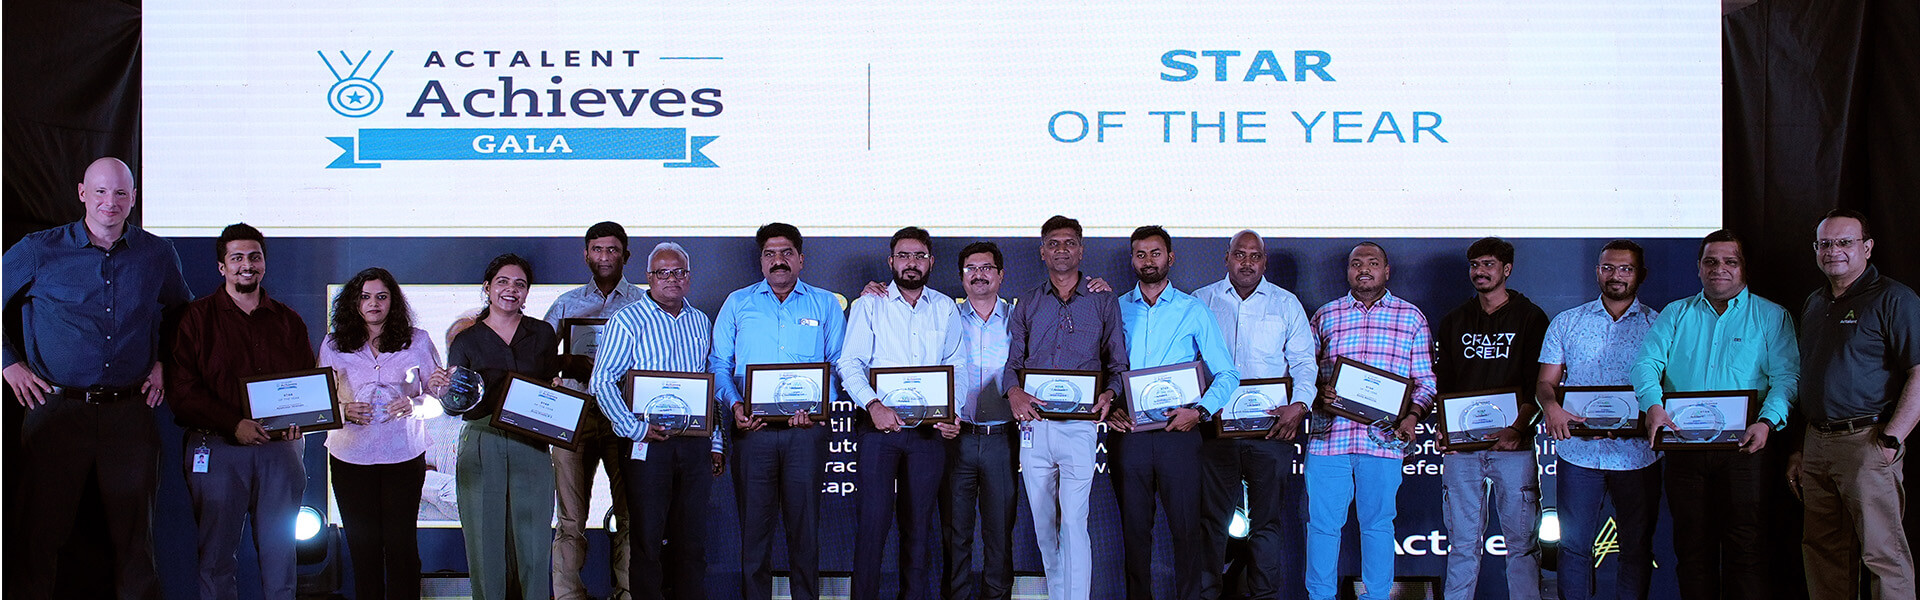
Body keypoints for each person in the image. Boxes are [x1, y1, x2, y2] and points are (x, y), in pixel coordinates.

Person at [4, 156, 191, 600]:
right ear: (83, 193)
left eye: (121, 193)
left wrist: (165, 361)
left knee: (136, 543)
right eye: (102, 191)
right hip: (55, 411)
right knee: (38, 537)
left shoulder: (156, 254)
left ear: (133, 199)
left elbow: (183, 312)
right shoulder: (38, 249)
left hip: (130, 414)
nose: (111, 201)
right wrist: (7, 362)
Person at [1630, 229, 1798, 600]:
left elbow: (1787, 379)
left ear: (1743, 268)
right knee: (1691, 550)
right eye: (1710, 261)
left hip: (1746, 449)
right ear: (1698, 267)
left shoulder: (1771, 316)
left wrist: (1767, 422)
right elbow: (1646, 364)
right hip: (1684, 449)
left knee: (1747, 549)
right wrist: (1652, 405)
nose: (1719, 269)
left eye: (1729, 261)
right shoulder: (1676, 313)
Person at [167, 223, 315, 600]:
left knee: (282, 559)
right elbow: (183, 392)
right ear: (222, 267)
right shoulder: (196, 319)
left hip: (279, 452)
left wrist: (304, 419)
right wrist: (234, 424)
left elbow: (304, 385)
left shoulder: (289, 321)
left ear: (264, 262)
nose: (247, 265)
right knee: (216, 559)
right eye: (237, 258)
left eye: (254, 257)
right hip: (218, 451)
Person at [711, 223, 847, 600]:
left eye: (786, 253)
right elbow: (719, 364)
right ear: (761, 261)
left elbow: (838, 364)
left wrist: (818, 408)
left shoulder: (824, 304)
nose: (778, 261)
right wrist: (735, 404)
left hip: (806, 433)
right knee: (754, 532)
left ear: (801, 259)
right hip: (751, 430)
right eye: (770, 254)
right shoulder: (737, 303)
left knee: (805, 530)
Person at [1789, 209, 1919, 599]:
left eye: (1845, 242)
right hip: (1816, 444)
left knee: (1884, 555)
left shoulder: (1895, 298)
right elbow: (1811, 378)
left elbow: (1919, 371)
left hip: (1867, 442)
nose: (1834, 251)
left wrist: (1892, 440)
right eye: (1825, 244)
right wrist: (1800, 447)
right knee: (1822, 552)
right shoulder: (1814, 302)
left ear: (1867, 247)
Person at [1105, 225, 1240, 600]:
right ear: (1133, 259)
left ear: (1171, 257)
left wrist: (1199, 411)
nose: (1148, 261)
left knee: (1186, 531)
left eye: (1156, 253)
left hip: (1179, 434)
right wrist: (1110, 407)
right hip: (1129, 435)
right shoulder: (1115, 308)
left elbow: (1228, 373)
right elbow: (1102, 367)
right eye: (1141, 254)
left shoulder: (1193, 309)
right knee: (1134, 532)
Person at [836, 226, 964, 600]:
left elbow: (956, 365)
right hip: (879, 430)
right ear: (891, 261)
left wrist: (952, 412)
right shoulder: (867, 305)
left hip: (929, 432)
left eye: (919, 256)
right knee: (873, 526)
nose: (911, 263)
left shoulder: (945, 308)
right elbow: (850, 363)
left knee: (919, 528)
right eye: (904, 256)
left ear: (931, 262)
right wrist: (873, 405)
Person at [1004, 215, 1128, 600]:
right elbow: (1013, 364)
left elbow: (1117, 364)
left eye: (1069, 242)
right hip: (1035, 427)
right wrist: (1013, 392)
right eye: (1054, 243)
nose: (1062, 249)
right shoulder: (1027, 302)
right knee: (1044, 527)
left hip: (1080, 426)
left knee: (1074, 522)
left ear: (1081, 249)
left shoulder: (1103, 299)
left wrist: (1110, 394)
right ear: (1042, 251)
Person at [590, 242, 722, 600]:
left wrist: (717, 440)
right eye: (662, 272)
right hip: (646, 442)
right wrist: (634, 429)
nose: (671, 279)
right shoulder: (627, 320)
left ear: (689, 278)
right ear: (649, 277)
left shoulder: (700, 321)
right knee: (647, 538)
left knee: (691, 538)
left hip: (694, 444)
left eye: (679, 272)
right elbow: (601, 380)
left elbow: (709, 382)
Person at [1305, 242, 1436, 600]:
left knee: (1378, 526)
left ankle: (1376, 597)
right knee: (1322, 527)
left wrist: (1411, 417)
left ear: (1386, 270)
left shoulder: (1411, 318)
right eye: (1356, 264)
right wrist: (1318, 393)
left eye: (1373, 263)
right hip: (1328, 438)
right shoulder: (1325, 316)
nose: (1364, 269)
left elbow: (1425, 381)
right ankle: (1319, 598)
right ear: (1348, 271)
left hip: (1383, 442)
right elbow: (1304, 375)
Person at [1193, 230, 1317, 600]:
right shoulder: (1202, 301)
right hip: (1214, 430)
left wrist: (1301, 404)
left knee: (1267, 524)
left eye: (1255, 256)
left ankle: (1263, 596)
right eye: (1239, 254)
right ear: (1226, 258)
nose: (1247, 262)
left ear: (1265, 262)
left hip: (1271, 431)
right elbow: (1187, 362)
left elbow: (1304, 364)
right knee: (1211, 522)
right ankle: (1208, 594)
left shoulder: (1286, 303)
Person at [1535, 241, 1663, 600]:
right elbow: (1546, 383)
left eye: (1626, 268)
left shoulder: (1660, 324)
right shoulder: (1568, 322)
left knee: (1636, 549)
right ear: (1597, 271)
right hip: (1580, 455)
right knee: (1574, 548)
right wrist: (1551, 407)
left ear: (1641, 274)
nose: (1616, 275)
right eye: (1608, 268)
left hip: (1638, 455)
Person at [433, 253, 561, 600]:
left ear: (527, 292)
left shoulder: (543, 334)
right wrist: (442, 390)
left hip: (531, 443)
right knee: (486, 543)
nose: (511, 290)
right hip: (482, 441)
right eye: (503, 282)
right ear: (487, 288)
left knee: (534, 543)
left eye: (520, 284)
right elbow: (456, 403)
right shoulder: (466, 340)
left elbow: (550, 389)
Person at [1432, 237, 1548, 600]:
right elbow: (1444, 385)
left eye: (1488, 264)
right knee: (1463, 544)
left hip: (1514, 447)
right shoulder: (1454, 320)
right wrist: (1444, 431)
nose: (1480, 272)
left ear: (1506, 270)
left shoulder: (1531, 317)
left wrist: (1517, 429)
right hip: (1463, 450)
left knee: (1522, 544)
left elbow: (1539, 385)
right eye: (1474, 265)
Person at [320, 267, 440, 600]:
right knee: (363, 550)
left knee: (401, 547)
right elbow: (320, 400)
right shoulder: (332, 344)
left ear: (393, 301)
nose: (374, 304)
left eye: (382, 296)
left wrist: (413, 406)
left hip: (403, 455)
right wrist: (343, 411)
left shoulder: (418, 340)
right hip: (349, 456)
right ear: (353, 302)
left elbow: (438, 400)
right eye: (365, 297)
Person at [545, 222, 647, 600]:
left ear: (626, 255)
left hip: (625, 415)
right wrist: (567, 362)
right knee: (570, 518)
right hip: (575, 413)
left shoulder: (642, 302)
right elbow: (539, 358)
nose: (605, 257)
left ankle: (627, 593)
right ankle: (569, 595)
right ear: (586, 254)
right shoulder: (566, 303)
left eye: (613, 250)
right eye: (597, 249)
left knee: (630, 515)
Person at [939, 241, 1020, 600]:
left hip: (1003, 438)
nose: (979, 274)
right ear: (961, 277)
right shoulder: (946, 318)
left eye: (987, 267)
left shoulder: (1021, 318)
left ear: (1001, 275)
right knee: (956, 531)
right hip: (957, 438)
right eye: (971, 268)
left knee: (999, 532)